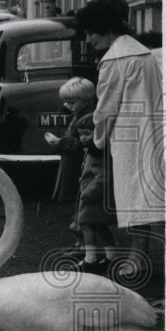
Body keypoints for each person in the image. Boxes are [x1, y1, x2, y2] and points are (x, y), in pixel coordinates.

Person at [78, 0, 163, 279]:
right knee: (143, 197)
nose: (89, 39)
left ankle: (138, 261)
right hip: (150, 130)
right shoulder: (142, 53)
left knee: (134, 200)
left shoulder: (114, 60)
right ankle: (139, 256)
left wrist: (96, 140)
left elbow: (105, 109)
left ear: (104, 28)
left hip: (128, 137)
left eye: (91, 32)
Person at [45, 77, 117, 271]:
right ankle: (82, 245)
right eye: (66, 102)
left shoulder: (88, 121)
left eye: (72, 102)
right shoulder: (81, 117)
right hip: (80, 168)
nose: (67, 106)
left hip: (84, 170)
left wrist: (60, 143)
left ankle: (85, 248)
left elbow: (82, 146)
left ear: (86, 100)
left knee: (84, 214)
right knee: (81, 212)